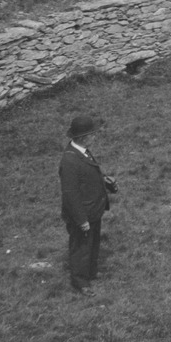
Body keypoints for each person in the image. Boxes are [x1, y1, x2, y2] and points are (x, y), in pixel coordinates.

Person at [59, 115, 118, 297]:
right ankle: (80, 282)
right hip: (82, 213)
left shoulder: (83, 151)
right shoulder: (69, 161)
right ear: (84, 137)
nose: (95, 137)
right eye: (93, 134)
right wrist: (81, 219)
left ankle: (90, 273)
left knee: (92, 243)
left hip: (93, 209)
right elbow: (70, 194)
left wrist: (106, 182)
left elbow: (89, 174)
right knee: (81, 247)